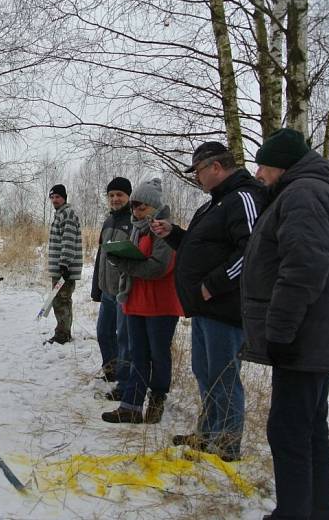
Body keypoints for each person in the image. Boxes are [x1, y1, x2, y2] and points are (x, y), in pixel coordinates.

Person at [241, 128, 329, 520]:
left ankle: (295, 513)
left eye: (264, 166)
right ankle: (316, 510)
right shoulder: (308, 191)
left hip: (303, 338)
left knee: (289, 432)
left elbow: (304, 268)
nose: (259, 174)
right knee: (308, 428)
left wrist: (281, 333)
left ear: (280, 165)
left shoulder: (303, 194)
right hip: (311, 336)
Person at [150, 141, 267, 462]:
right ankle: (207, 434)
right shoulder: (214, 204)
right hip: (205, 309)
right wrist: (172, 233)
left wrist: (212, 285)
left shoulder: (243, 197)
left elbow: (253, 251)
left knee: (222, 374)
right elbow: (198, 246)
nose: (197, 178)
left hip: (224, 307)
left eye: (199, 171)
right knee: (205, 371)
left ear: (216, 167)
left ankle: (227, 444)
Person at [101, 178, 183, 424]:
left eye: (142, 206)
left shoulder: (165, 231)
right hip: (135, 302)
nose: (137, 210)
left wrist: (125, 262)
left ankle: (157, 399)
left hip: (160, 306)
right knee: (137, 354)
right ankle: (131, 406)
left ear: (155, 207)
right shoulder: (136, 230)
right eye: (135, 206)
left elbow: (159, 267)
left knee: (158, 355)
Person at [91, 177, 133, 399]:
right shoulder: (108, 222)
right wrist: (96, 288)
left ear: (128, 196)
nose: (115, 199)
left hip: (123, 293)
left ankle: (124, 384)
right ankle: (111, 370)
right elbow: (101, 256)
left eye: (120, 195)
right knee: (103, 333)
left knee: (124, 339)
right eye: (111, 195)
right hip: (107, 290)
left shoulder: (133, 221)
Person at [45, 184, 84, 345]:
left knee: (61, 301)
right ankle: (62, 332)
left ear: (64, 197)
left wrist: (64, 264)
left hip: (64, 269)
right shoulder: (60, 214)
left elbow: (68, 240)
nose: (55, 200)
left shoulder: (67, 214)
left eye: (58, 197)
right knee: (59, 300)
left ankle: (63, 335)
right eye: (52, 197)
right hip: (60, 268)